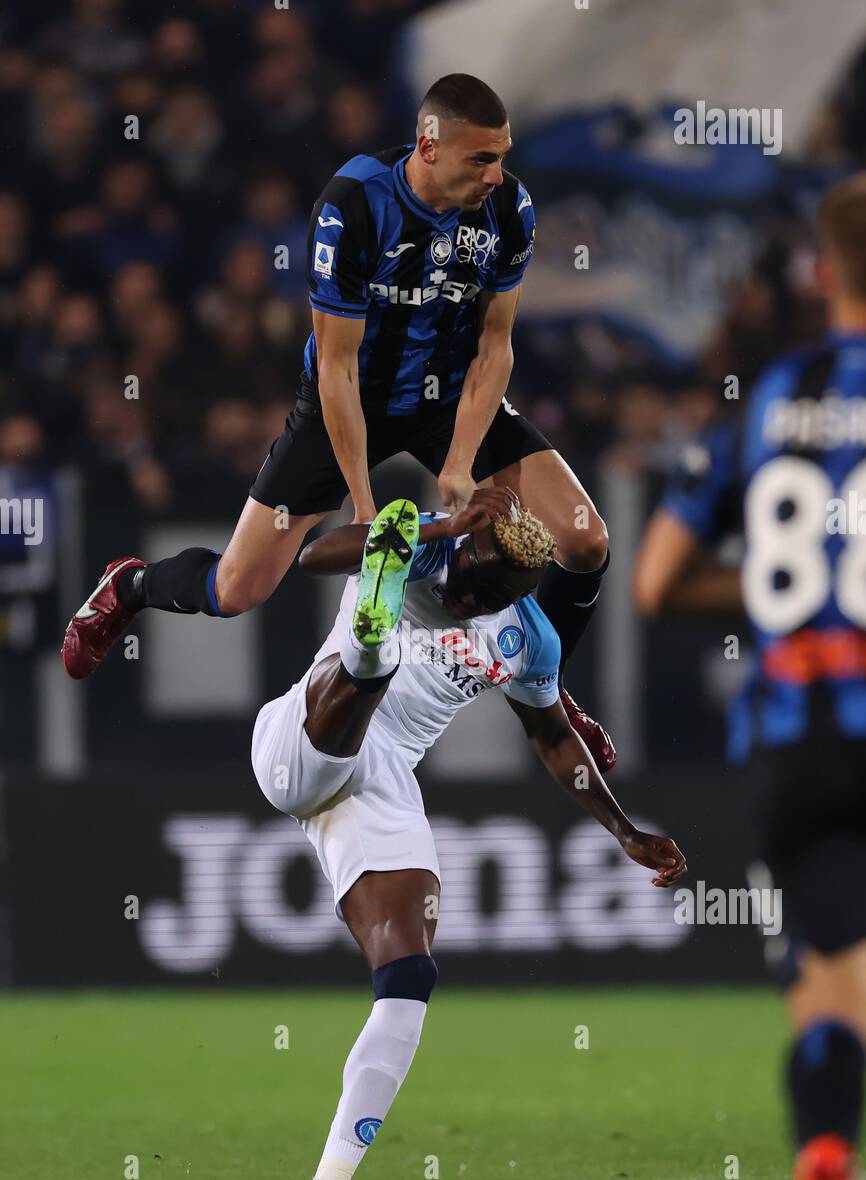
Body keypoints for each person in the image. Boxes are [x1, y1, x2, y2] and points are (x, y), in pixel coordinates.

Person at [61, 72, 614, 767]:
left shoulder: (509, 211)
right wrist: (362, 501)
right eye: (482, 158)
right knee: (237, 590)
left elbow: (495, 344)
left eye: (502, 155)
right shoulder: (353, 205)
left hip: (448, 400)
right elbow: (338, 368)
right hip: (350, 402)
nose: (497, 175)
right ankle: (132, 584)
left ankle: (552, 697)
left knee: (586, 540)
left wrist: (460, 461)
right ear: (429, 146)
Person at [251, 486, 686, 1180]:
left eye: (489, 597)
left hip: (379, 784)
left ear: (519, 594)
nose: (468, 599)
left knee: (409, 980)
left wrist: (622, 829)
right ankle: (367, 641)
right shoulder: (423, 539)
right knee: (371, 664)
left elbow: (553, 738)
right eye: (467, 580)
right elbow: (313, 554)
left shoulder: (527, 638)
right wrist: (445, 525)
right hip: (300, 741)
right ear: (464, 549)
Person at [632, 172, 866, 1180]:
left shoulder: (767, 400)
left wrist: (790, 606)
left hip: (788, 751)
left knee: (828, 993)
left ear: (822, 277)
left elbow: (655, 581)